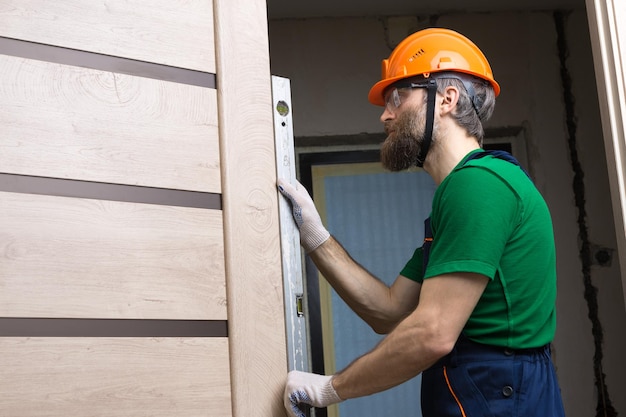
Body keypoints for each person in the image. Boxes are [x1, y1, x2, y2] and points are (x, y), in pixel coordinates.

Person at [278, 27, 565, 417]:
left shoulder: (478, 186)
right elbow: (389, 310)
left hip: (498, 394)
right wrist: (314, 235)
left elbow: (431, 333)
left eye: (398, 96)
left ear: (446, 99)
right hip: (489, 390)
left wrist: (330, 388)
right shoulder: (462, 194)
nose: (385, 114)